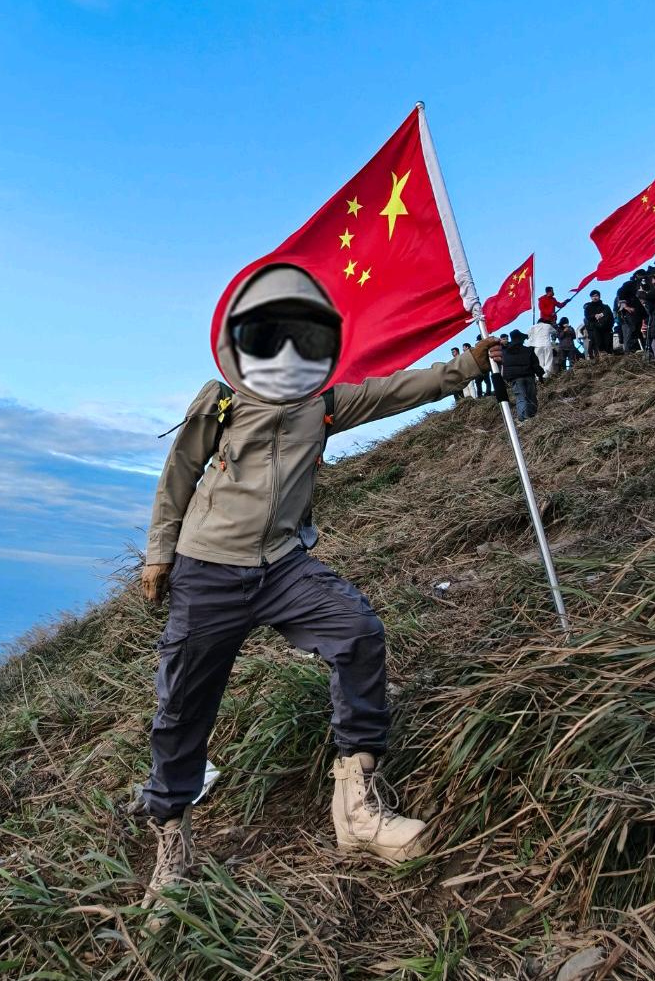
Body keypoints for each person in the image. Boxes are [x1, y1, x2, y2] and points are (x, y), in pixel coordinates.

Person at [138, 264, 502, 915]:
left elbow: (397, 391)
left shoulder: (324, 403)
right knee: (182, 707)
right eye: (271, 334)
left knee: (358, 633)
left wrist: (466, 366)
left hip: (281, 563)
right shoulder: (218, 401)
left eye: (303, 336)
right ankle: (172, 838)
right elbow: (178, 476)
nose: (287, 350)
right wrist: (158, 555)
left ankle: (356, 804)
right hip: (207, 569)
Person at [500, 329, 544, 420]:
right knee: (531, 397)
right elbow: (535, 364)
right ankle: (532, 416)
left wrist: (506, 379)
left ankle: (524, 419)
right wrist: (540, 376)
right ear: (520, 339)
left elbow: (505, 366)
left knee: (521, 397)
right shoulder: (528, 350)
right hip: (529, 376)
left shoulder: (505, 352)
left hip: (516, 378)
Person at [615, 270, 646, 352]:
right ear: (636, 276)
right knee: (631, 331)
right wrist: (625, 306)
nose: (642, 277)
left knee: (639, 332)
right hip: (630, 312)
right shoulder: (629, 284)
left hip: (640, 312)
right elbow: (620, 292)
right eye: (640, 275)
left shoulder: (645, 285)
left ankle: (642, 349)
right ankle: (631, 353)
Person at [582, 290, 615, 356]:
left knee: (608, 344)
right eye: (593, 296)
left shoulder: (606, 307)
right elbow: (588, 317)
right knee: (600, 346)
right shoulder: (588, 308)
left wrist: (610, 325)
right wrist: (594, 316)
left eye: (596, 296)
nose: (595, 297)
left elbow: (611, 317)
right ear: (591, 297)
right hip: (596, 329)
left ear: (599, 296)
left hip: (607, 328)